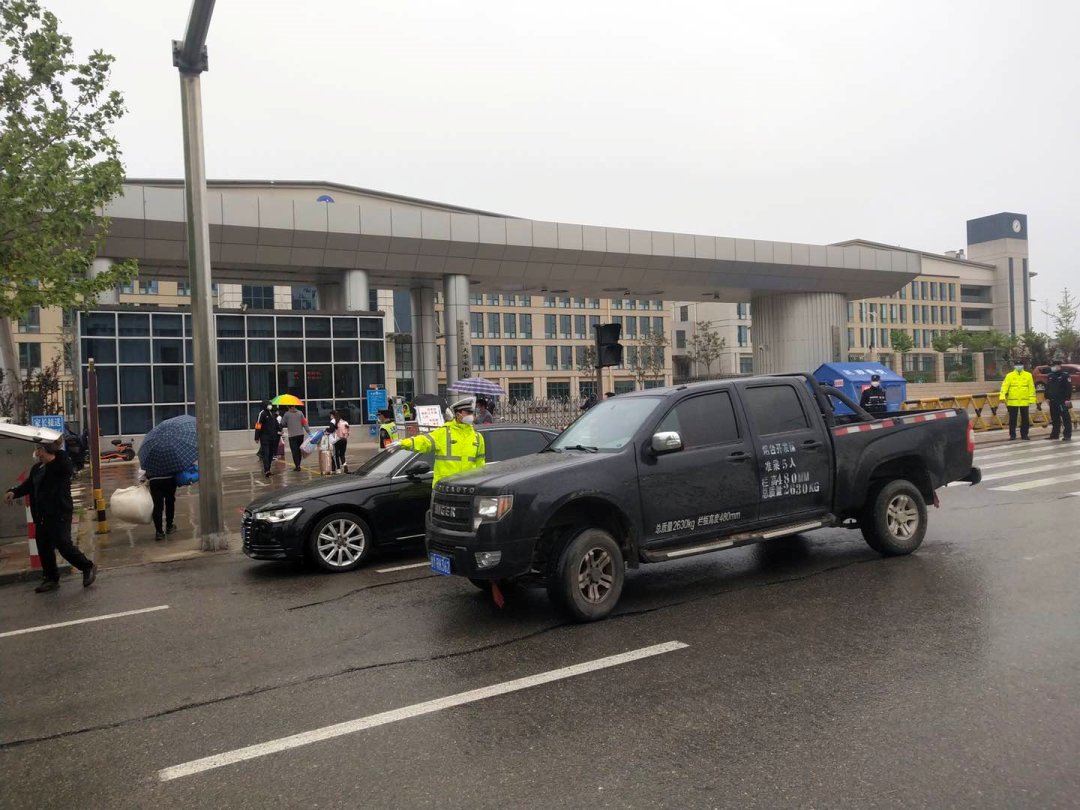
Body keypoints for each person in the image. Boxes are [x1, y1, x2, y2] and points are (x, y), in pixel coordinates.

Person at [5, 439, 96, 592]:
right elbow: (29, 485)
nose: (37, 453)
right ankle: (51, 578)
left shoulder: (61, 465)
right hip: (41, 515)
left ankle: (87, 567)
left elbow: (65, 464)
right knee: (44, 547)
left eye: (39, 449)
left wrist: (54, 448)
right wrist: (14, 492)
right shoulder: (37, 468)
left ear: (46, 450)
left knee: (63, 544)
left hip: (59, 513)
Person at [389, 395, 486, 485]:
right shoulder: (444, 432)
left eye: (472, 413)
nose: (471, 416)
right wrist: (403, 443)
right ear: (458, 414)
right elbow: (424, 441)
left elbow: (480, 464)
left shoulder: (477, 437)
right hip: (445, 487)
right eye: (468, 413)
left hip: (468, 488)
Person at [999, 359, 1036, 440]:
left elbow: (1031, 388)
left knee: (1025, 419)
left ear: (1023, 366)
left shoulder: (1028, 375)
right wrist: (1002, 396)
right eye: (1017, 365)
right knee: (1012, 419)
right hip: (1013, 401)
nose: (1019, 366)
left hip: (1024, 401)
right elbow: (1005, 386)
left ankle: (1024, 435)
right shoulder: (1010, 375)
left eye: (1020, 365)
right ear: (1014, 366)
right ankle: (1012, 435)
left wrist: (1032, 399)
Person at [141, 469, 177, 541]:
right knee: (170, 502)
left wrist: (142, 479)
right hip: (169, 478)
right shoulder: (171, 461)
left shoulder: (149, 461)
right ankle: (169, 526)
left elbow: (142, 471)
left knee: (157, 505)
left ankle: (159, 532)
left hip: (155, 480)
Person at [1044, 359, 1073, 441]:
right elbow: (1048, 387)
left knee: (1065, 418)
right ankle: (1055, 434)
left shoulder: (1065, 375)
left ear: (1059, 366)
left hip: (1062, 401)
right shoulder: (1050, 375)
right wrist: (1047, 397)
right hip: (1053, 400)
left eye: (1054, 366)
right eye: (1051, 366)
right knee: (1055, 418)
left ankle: (1067, 435)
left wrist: (1067, 399)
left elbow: (1068, 388)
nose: (1052, 367)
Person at [255, 401, 282, 476]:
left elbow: (276, 423)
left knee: (270, 454)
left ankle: (268, 469)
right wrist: (256, 437)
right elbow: (258, 425)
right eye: (268, 405)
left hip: (273, 437)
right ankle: (266, 470)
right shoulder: (262, 413)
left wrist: (280, 429)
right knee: (266, 453)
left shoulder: (272, 413)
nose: (270, 406)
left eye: (270, 405)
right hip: (265, 438)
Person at [281, 405, 311, 471]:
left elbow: (282, 424)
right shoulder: (300, 413)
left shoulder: (286, 414)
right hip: (300, 435)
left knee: (294, 451)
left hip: (292, 436)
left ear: (288, 407)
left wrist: (280, 430)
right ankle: (298, 464)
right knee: (299, 450)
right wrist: (309, 432)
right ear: (294, 406)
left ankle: (297, 466)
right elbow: (305, 423)